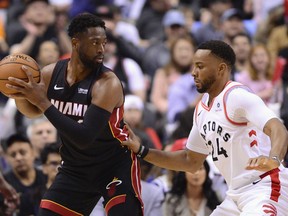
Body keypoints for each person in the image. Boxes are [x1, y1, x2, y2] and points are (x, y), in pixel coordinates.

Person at [122, 40, 288, 215]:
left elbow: (277, 128)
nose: (194, 72)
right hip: (236, 194)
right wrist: (141, 150)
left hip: (265, 187)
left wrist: (274, 159)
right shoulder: (201, 110)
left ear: (221, 69)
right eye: (194, 66)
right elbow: (190, 160)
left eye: (200, 66)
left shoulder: (237, 96)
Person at [5, 13, 143, 215]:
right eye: (95, 42)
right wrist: (21, 93)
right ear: (76, 43)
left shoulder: (108, 83)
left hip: (114, 164)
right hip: (76, 168)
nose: (101, 49)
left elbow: (84, 137)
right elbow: (31, 111)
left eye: (104, 43)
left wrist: (42, 101)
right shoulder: (52, 73)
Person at [2, 133, 47, 216]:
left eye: (22, 152)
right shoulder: (4, 186)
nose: (18, 158)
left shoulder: (46, 178)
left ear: (33, 153)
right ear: (7, 158)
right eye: (13, 155)